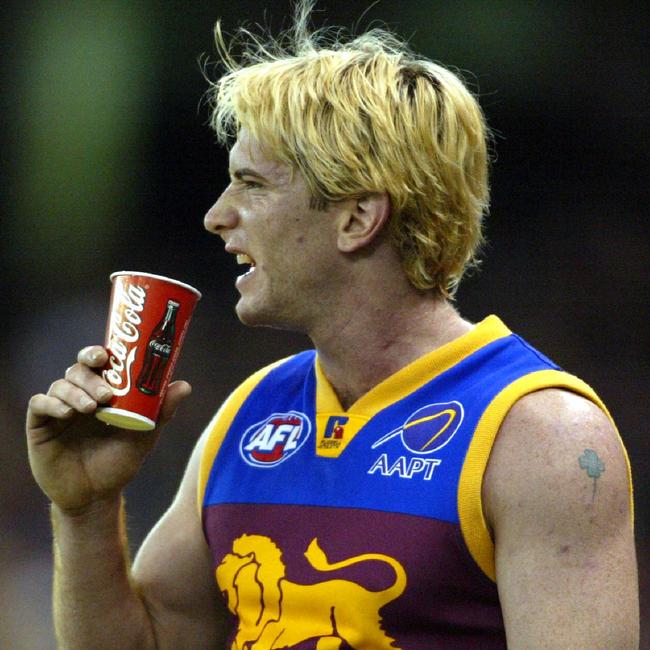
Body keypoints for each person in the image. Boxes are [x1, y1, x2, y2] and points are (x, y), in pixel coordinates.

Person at [26, 2, 639, 648]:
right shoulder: (249, 418)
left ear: (357, 218)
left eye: (251, 184)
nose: (216, 215)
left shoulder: (541, 438)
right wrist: (86, 511)